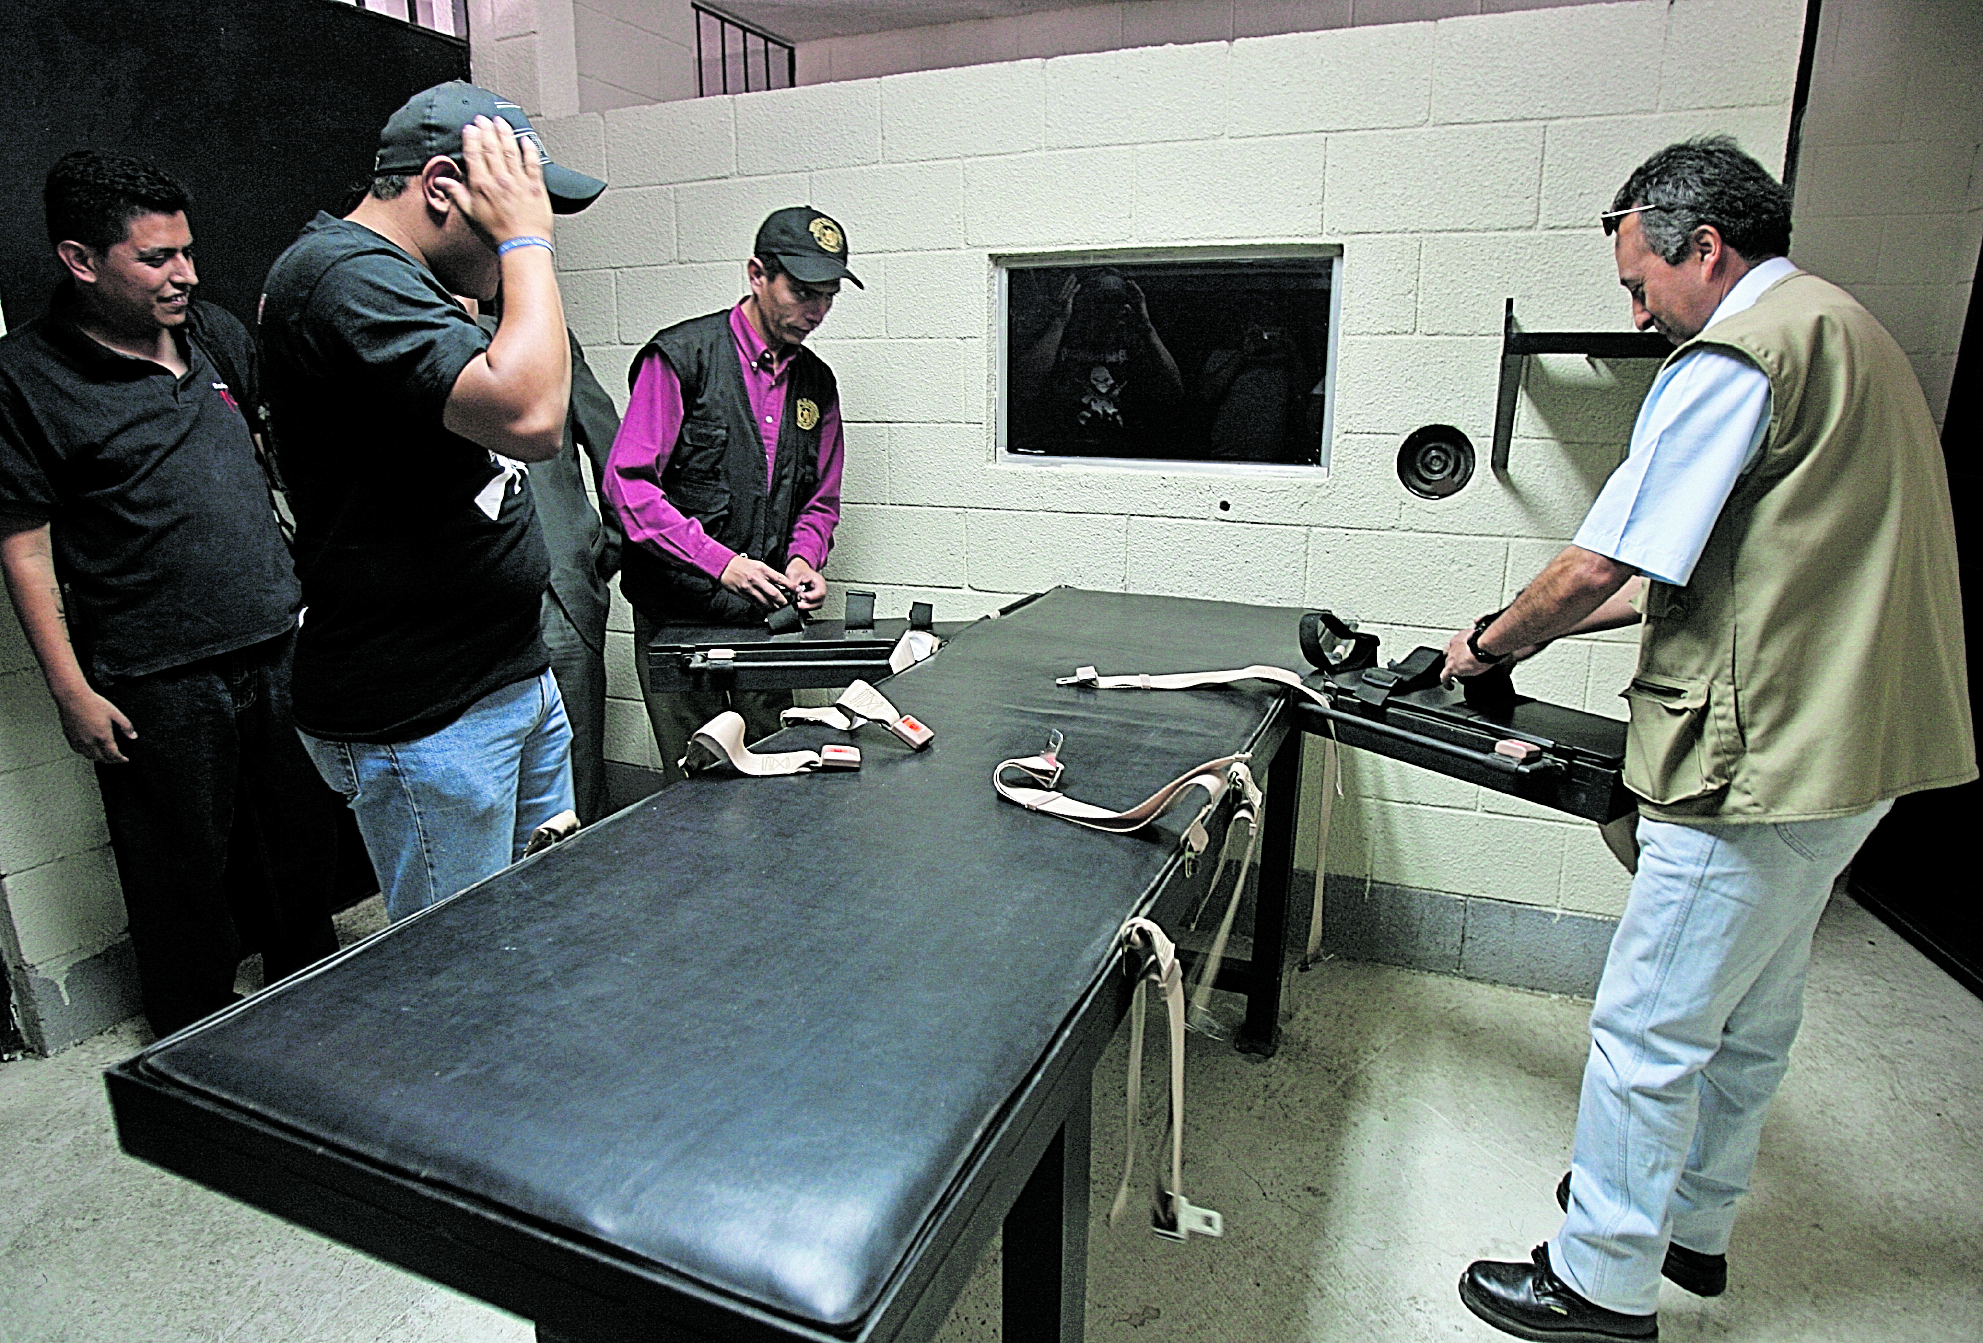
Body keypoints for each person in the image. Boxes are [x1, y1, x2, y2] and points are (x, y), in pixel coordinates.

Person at [1446, 137, 1974, 1341]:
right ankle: (1692, 1223)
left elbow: (1597, 565)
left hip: (1760, 756)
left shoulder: (1735, 357)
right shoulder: (1848, 333)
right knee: (1751, 1011)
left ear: (1705, 248)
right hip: (1857, 749)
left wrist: (1486, 644)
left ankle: (1600, 1277)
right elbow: (1693, 565)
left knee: (1650, 1024)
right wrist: (1530, 632)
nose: (1639, 313)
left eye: (1641, 285)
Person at [0, 150, 339, 1036]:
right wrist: (71, 690)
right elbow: (23, 548)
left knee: (299, 847)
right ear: (80, 260)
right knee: (179, 876)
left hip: (275, 642)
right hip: (155, 675)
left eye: (186, 251)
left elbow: (269, 456)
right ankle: (194, 1041)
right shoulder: (24, 376)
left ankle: (321, 1008)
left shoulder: (213, 333)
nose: (184, 273)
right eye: (156, 258)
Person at [258, 81, 605, 920]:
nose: (531, 230)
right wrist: (526, 242)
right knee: (461, 961)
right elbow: (531, 416)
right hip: (427, 708)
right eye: (514, 205)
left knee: (539, 926)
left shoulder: (399, 280)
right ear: (443, 187)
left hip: (504, 673)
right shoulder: (340, 276)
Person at [604, 206, 855, 784]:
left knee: (775, 770)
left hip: (763, 620)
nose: (815, 311)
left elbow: (820, 499)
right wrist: (721, 564)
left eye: (828, 297)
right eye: (802, 292)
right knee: (695, 785)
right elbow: (628, 486)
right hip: (677, 620)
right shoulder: (681, 357)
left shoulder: (817, 384)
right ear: (757, 275)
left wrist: (804, 559)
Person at [472, 304, 623, 824]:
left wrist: (600, 553)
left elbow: (612, 450)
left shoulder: (547, 341)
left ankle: (589, 870)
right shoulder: (418, 344)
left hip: (559, 590)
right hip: (469, 601)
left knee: (578, 777)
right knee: (490, 785)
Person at [1013, 267, 1183, 456]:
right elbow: (1024, 387)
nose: (1112, 311)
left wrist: (1146, 328)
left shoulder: (1135, 342)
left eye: (1118, 303)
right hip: (1065, 452)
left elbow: (1173, 391)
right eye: (1102, 303)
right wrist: (1059, 322)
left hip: (1124, 453)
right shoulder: (1060, 340)